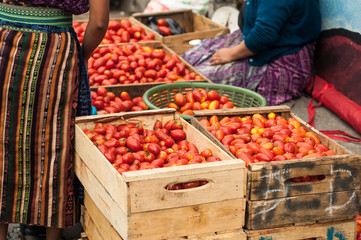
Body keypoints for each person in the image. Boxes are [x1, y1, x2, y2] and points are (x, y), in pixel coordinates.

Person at [0, 0, 109, 239]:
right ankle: (52, 235)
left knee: (3, 141)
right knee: (54, 145)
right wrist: (83, 56)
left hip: (5, 40)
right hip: (55, 50)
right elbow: (99, 23)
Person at [182, 0, 321, 105]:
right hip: (257, 40)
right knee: (189, 59)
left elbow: (263, 35)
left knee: (198, 80)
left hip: (279, 58)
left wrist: (231, 54)